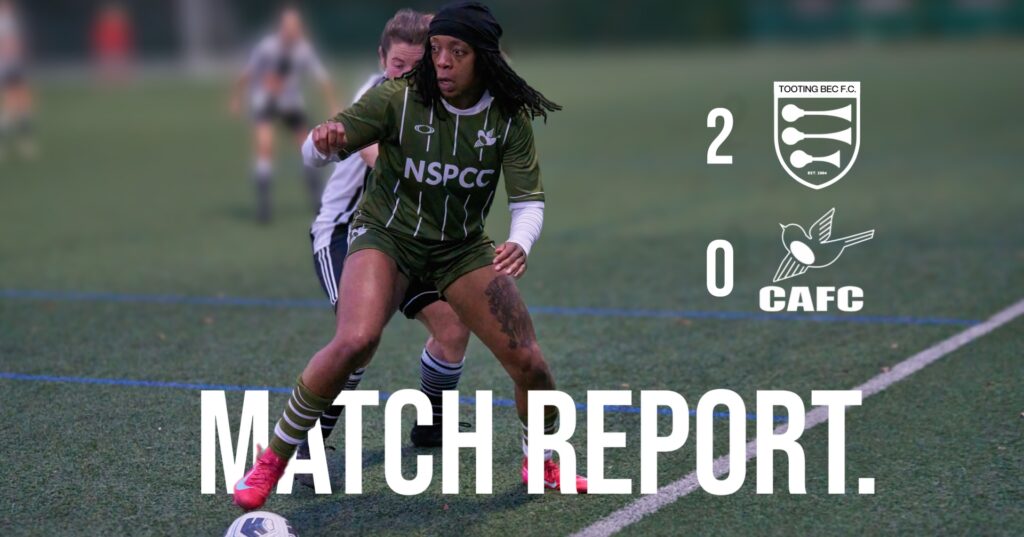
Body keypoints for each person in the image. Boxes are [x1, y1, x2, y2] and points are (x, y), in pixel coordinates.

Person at [234, 1, 586, 510]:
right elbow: (314, 151)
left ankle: (543, 460)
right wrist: (323, 142)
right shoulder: (396, 97)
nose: (441, 61)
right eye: (437, 50)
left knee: (529, 362)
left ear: (484, 58)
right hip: (387, 236)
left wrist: (519, 241)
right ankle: (275, 458)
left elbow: (528, 200)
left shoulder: (507, 117)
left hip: (459, 248)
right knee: (356, 340)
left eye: (457, 52)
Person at [298, 9, 470, 463]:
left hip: (408, 236)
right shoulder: (376, 96)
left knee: (453, 324)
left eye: (418, 65)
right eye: (398, 65)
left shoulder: (445, 97)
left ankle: (431, 426)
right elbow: (370, 152)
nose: (407, 75)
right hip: (346, 233)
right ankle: (307, 449)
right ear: (382, 60)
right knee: (359, 339)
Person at [229, 6, 338, 223]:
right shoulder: (267, 48)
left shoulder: (303, 50)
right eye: (288, 26)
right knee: (265, 146)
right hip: (266, 102)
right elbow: (248, 72)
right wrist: (236, 97)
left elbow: (321, 79)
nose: (292, 31)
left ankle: (317, 199)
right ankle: (264, 206)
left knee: (307, 146)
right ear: (281, 27)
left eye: (295, 26)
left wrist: (333, 103)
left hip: (291, 104)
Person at [0, 0, 34, 160]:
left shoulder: (10, 19)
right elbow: (8, 45)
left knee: (21, 106)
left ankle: (24, 143)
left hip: (14, 66)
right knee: (13, 106)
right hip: (8, 67)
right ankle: (22, 143)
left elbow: (16, 44)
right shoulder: (4, 21)